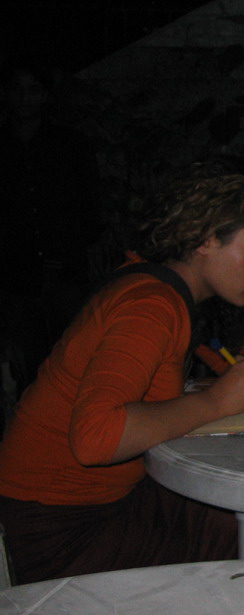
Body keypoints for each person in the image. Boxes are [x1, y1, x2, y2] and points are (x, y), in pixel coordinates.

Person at [0, 161, 244, 584]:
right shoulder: (151, 305)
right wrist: (212, 402)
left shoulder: (160, 289)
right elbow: (95, 439)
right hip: (62, 531)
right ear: (207, 237)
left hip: (96, 506)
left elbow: (207, 354)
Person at [0, 55, 101, 396]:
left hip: (65, 273)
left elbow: (88, 204)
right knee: (26, 364)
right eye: (17, 89)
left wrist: (69, 248)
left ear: (43, 95)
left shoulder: (68, 144)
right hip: (16, 278)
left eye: (32, 90)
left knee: (73, 361)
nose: (24, 98)